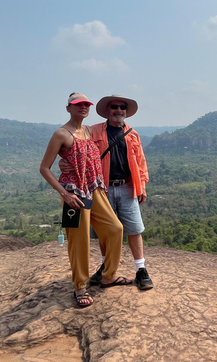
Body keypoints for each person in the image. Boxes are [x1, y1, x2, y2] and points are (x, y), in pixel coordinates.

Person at [40, 93, 133, 308]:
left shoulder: (90, 131)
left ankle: (108, 275)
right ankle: (80, 286)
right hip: (74, 194)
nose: (83, 107)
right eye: (77, 104)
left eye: (86, 104)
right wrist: (64, 194)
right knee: (79, 241)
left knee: (115, 229)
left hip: (95, 189)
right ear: (68, 108)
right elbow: (44, 168)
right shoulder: (61, 134)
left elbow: (116, 123)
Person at [62, 94, 154, 290]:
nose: (118, 110)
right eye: (114, 107)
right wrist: (66, 162)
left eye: (122, 107)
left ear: (126, 112)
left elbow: (140, 163)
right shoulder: (93, 131)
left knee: (134, 229)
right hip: (102, 189)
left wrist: (142, 187)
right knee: (107, 231)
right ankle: (106, 268)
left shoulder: (133, 134)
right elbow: (75, 143)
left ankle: (140, 269)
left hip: (128, 187)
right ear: (108, 110)